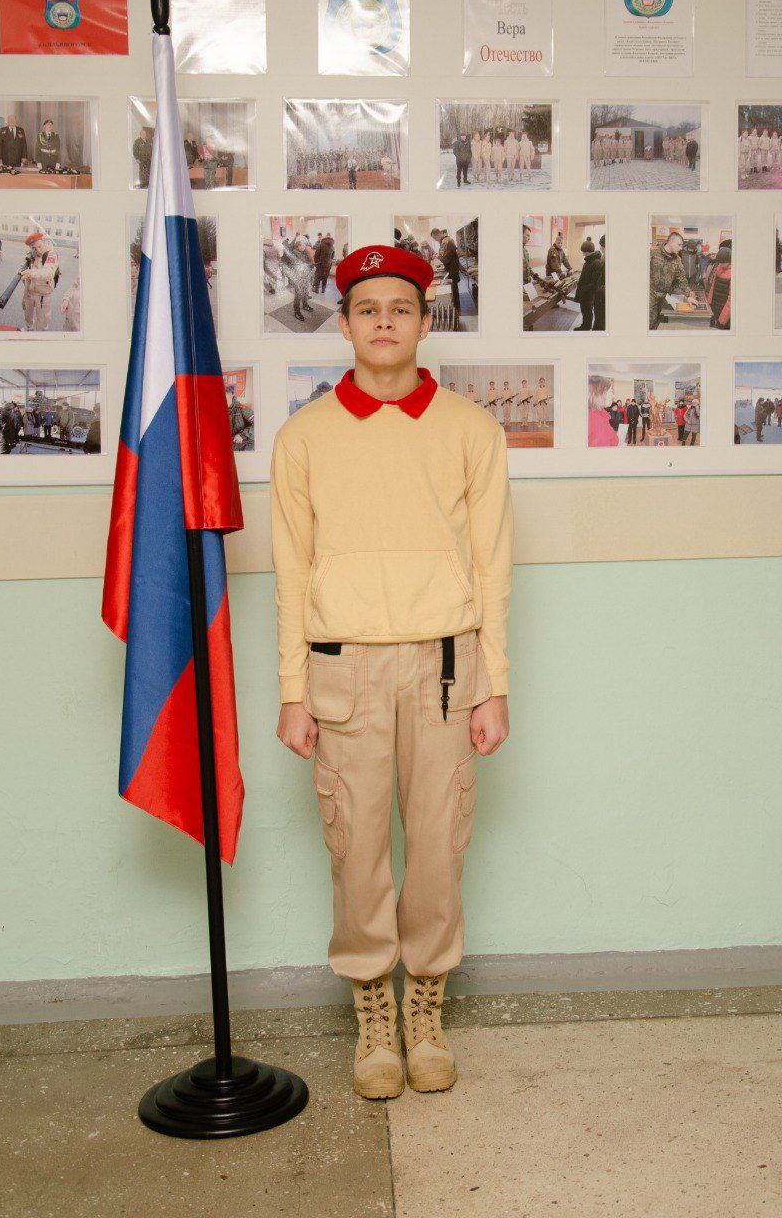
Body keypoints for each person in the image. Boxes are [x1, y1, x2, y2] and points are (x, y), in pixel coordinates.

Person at [270, 244, 514, 1101]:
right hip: (343, 668)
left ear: (422, 322)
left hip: (446, 663)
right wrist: (293, 692)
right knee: (357, 848)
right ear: (343, 324)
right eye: (367, 309)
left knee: (439, 847)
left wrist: (494, 683)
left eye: (400, 309)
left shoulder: (470, 429)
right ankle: (372, 1013)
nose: (384, 322)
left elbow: (491, 566)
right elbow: (291, 570)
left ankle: (425, 1009)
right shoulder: (303, 436)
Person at [649, 230, 691, 329]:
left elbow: (682, 278)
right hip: (650, 295)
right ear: (670, 242)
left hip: (664, 297)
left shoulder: (677, 260)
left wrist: (688, 295)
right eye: (679, 245)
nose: (681, 248)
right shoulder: (653, 254)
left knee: (659, 323)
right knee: (648, 323)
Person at [19, 231, 59, 333]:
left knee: (42, 322)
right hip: (30, 293)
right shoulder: (31, 256)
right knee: (27, 316)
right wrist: (25, 296)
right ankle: (28, 329)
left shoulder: (51, 254)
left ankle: (40, 338)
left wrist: (31, 273)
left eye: (39, 246)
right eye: (34, 248)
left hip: (43, 295)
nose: (38, 250)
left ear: (44, 242)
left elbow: (48, 272)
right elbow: (28, 279)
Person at [574, 239, 602, 330]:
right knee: (585, 310)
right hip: (585, 291)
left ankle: (586, 327)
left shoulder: (595, 263)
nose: (583, 254)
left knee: (587, 311)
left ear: (588, 251)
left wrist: (584, 290)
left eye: (584, 252)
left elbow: (594, 283)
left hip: (588, 293)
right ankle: (585, 325)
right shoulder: (590, 260)